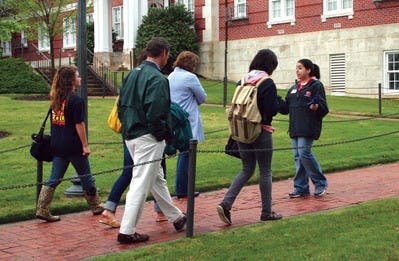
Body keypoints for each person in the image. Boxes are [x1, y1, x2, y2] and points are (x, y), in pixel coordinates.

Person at [117, 37, 186, 244]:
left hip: (131, 132)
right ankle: (127, 230)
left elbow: (121, 106)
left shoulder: (132, 74)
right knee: (140, 182)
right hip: (147, 134)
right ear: (164, 52)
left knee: (156, 178)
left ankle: (176, 217)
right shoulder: (157, 79)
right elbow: (157, 113)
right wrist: (163, 135)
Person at [216, 49, 283, 225]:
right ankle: (266, 212)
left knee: (246, 169)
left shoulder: (243, 80)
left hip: (241, 131)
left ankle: (226, 203)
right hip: (261, 130)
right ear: (270, 65)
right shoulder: (267, 82)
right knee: (265, 170)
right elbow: (271, 110)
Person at [36, 65, 103, 222]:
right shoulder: (76, 100)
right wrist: (85, 145)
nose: (80, 78)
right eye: (78, 76)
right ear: (71, 80)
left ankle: (42, 208)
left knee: (54, 177)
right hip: (73, 145)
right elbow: (79, 124)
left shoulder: (57, 98)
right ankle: (96, 206)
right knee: (87, 176)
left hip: (57, 144)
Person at [280, 59, 329, 198]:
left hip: (308, 126)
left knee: (304, 153)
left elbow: (324, 108)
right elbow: (285, 109)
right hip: (295, 127)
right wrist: (275, 100)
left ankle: (320, 183)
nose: (297, 70)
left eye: (300, 68)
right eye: (296, 68)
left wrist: (316, 107)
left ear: (308, 70)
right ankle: (301, 188)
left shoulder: (316, 85)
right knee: (298, 157)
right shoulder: (293, 88)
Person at [168, 51, 207, 199]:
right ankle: (183, 189)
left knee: (183, 154)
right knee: (187, 155)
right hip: (188, 121)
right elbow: (202, 97)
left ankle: (182, 188)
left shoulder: (171, 76)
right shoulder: (190, 77)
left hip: (174, 118)